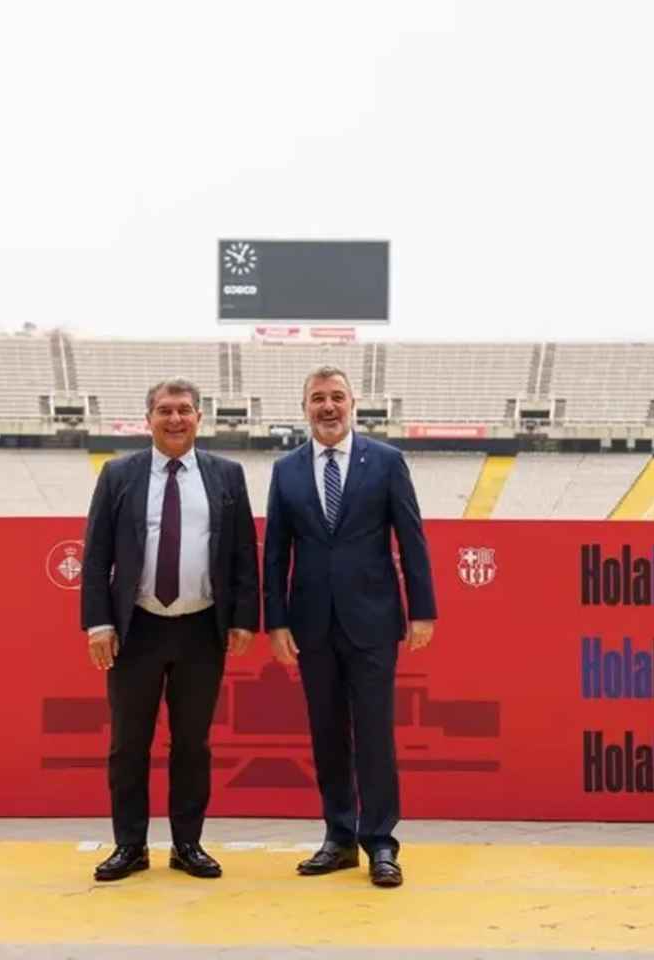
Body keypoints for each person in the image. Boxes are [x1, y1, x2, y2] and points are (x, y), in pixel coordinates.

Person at [263, 365, 437, 888]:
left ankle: (381, 841)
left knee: (375, 735)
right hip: (311, 625)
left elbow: (411, 539)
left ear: (353, 403)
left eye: (337, 397)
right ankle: (338, 838)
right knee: (328, 735)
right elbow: (275, 553)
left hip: (374, 623)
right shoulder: (286, 470)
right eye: (317, 398)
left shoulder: (386, 461)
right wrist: (276, 622)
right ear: (305, 408)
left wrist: (422, 609)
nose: (328, 407)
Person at [79, 377, 259, 881]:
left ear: (200, 417)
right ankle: (130, 846)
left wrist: (245, 617)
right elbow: (96, 558)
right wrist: (98, 624)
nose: (175, 418)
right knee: (128, 744)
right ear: (148, 419)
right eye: (164, 410)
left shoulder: (228, 475)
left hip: (202, 629)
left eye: (184, 409)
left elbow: (245, 550)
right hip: (136, 630)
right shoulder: (118, 475)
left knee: (192, 743)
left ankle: (187, 844)